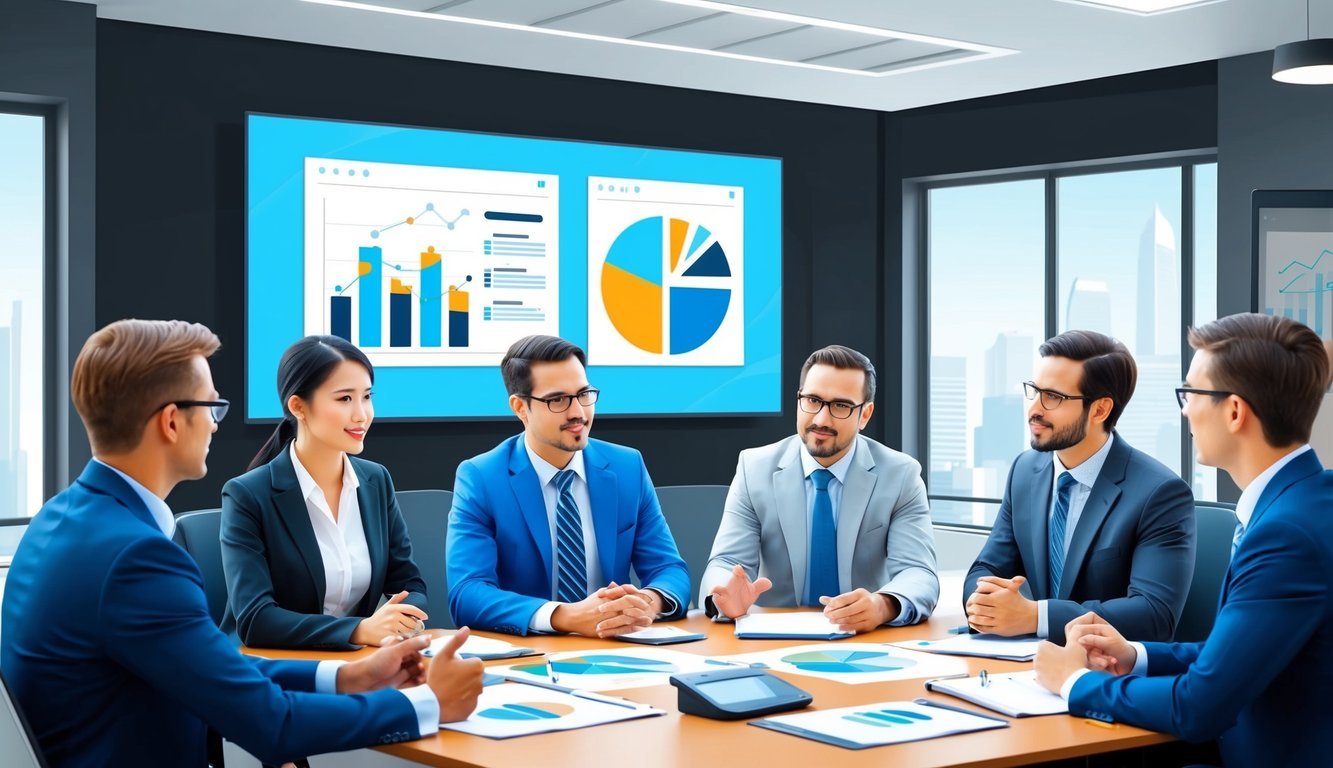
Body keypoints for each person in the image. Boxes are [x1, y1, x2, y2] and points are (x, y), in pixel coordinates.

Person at [0, 319, 483, 766]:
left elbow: (208, 663)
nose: (216, 423)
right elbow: (270, 723)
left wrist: (348, 676)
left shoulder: (59, 519)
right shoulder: (137, 558)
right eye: (211, 406)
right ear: (171, 421)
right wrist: (426, 703)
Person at [1035, 313, 1333, 766]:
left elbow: (1199, 707)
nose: (1185, 408)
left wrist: (1073, 682)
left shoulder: (1284, 536)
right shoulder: (1305, 501)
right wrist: (1134, 655)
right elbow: (1232, 656)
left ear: (1234, 411)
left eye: (1191, 393)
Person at [446, 335, 690, 636]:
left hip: (616, 645)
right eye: (558, 400)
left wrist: (648, 602)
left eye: (584, 394)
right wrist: (564, 616)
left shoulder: (627, 467)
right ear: (521, 407)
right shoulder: (481, 477)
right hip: (532, 653)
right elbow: (467, 594)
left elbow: (670, 569)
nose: (578, 412)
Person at [965, 330, 1195, 644]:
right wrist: (985, 603)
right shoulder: (1024, 470)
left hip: (1104, 673)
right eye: (1034, 390)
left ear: (1100, 410)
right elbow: (987, 566)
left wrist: (1035, 616)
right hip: (1026, 665)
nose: (1034, 408)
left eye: (1054, 397)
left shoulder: (1160, 493)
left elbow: (1153, 614)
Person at [701, 345, 939, 632]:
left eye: (840, 406)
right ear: (799, 400)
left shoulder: (901, 475)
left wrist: (882, 605)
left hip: (865, 638)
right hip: (775, 635)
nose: (821, 420)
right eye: (813, 400)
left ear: (865, 415)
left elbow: (918, 572)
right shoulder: (754, 468)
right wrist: (724, 599)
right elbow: (726, 562)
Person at [220, 336, 428, 649]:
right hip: (273, 671)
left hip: (357, 661)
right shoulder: (247, 495)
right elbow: (255, 620)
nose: (361, 414)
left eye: (367, 397)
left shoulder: (375, 481)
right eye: (344, 399)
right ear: (298, 406)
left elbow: (410, 582)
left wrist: (404, 614)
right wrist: (358, 630)